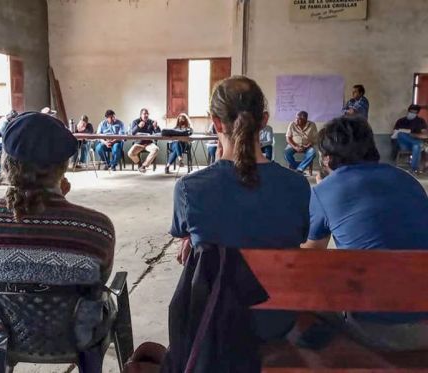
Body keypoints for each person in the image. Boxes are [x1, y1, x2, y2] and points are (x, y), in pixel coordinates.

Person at [173, 76, 310, 342]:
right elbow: (299, 237)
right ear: (265, 119)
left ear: (215, 122)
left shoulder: (189, 188)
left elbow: (186, 238)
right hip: (278, 322)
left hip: (217, 323)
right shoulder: (297, 185)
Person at [0, 113, 116, 358]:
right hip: (77, 337)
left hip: (8, 333)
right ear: (63, 166)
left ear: (7, 162)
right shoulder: (96, 226)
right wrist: (59, 200)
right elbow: (100, 279)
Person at [302, 115, 428, 352]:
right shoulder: (408, 180)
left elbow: (312, 254)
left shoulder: (324, 191)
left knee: (307, 292)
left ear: (327, 158)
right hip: (425, 321)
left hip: (380, 330)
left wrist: (322, 193)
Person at [394, 104, 427, 173]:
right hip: (404, 144)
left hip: (415, 145)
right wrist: (410, 135)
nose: (412, 114)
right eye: (411, 112)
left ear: (417, 113)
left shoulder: (420, 121)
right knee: (401, 134)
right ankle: (418, 143)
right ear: (408, 111)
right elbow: (396, 134)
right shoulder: (401, 121)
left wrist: (411, 134)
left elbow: (425, 135)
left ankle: (414, 170)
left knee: (416, 146)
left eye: (414, 112)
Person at [128, 108, 161, 173]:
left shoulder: (151, 122)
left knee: (156, 149)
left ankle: (143, 166)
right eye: (144, 114)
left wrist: (156, 127)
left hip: (149, 143)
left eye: (147, 114)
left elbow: (159, 133)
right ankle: (139, 164)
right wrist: (138, 126)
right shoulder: (135, 121)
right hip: (139, 143)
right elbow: (132, 133)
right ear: (140, 115)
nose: (146, 115)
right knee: (130, 153)